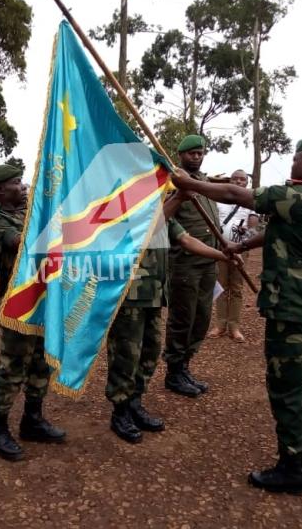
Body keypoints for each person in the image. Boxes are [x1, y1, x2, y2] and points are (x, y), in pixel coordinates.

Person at [172, 137, 302, 495]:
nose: (292, 166)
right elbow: (284, 228)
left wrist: (187, 184)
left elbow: (237, 196)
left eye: (296, 161)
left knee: (289, 389)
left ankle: (291, 468)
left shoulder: (296, 195)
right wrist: (242, 245)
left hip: (297, 310)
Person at [107, 190, 235, 443]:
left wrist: (223, 255)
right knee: (125, 355)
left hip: (154, 295)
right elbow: (148, 228)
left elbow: (186, 240)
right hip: (129, 295)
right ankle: (120, 411)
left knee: (150, 352)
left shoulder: (160, 210)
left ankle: (135, 403)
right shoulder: (123, 210)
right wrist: (177, 199)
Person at [0, 164, 65, 462]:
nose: (24, 186)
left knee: (42, 362)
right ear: (0, 190)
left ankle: (33, 419)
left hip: (44, 300)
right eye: (17, 183)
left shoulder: (29, 211)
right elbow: (22, 244)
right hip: (17, 306)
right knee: (12, 367)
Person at [163, 134, 221, 397]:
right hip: (185, 263)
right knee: (182, 319)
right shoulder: (172, 182)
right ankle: (173, 373)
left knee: (202, 318)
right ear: (181, 155)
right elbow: (161, 216)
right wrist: (178, 193)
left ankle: (185, 365)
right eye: (191, 154)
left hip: (209, 261)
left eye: (200, 153)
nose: (196, 157)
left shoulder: (205, 182)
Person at [209, 169, 254, 342]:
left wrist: (245, 237)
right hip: (220, 249)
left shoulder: (250, 202)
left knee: (236, 288)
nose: (238, 182)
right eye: (235, 179)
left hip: (241, 250)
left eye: (242, 180)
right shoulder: (219, 201)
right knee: (221, 286)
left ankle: (234, 327)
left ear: (246, 183)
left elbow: (255, 228)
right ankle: (220, 325)